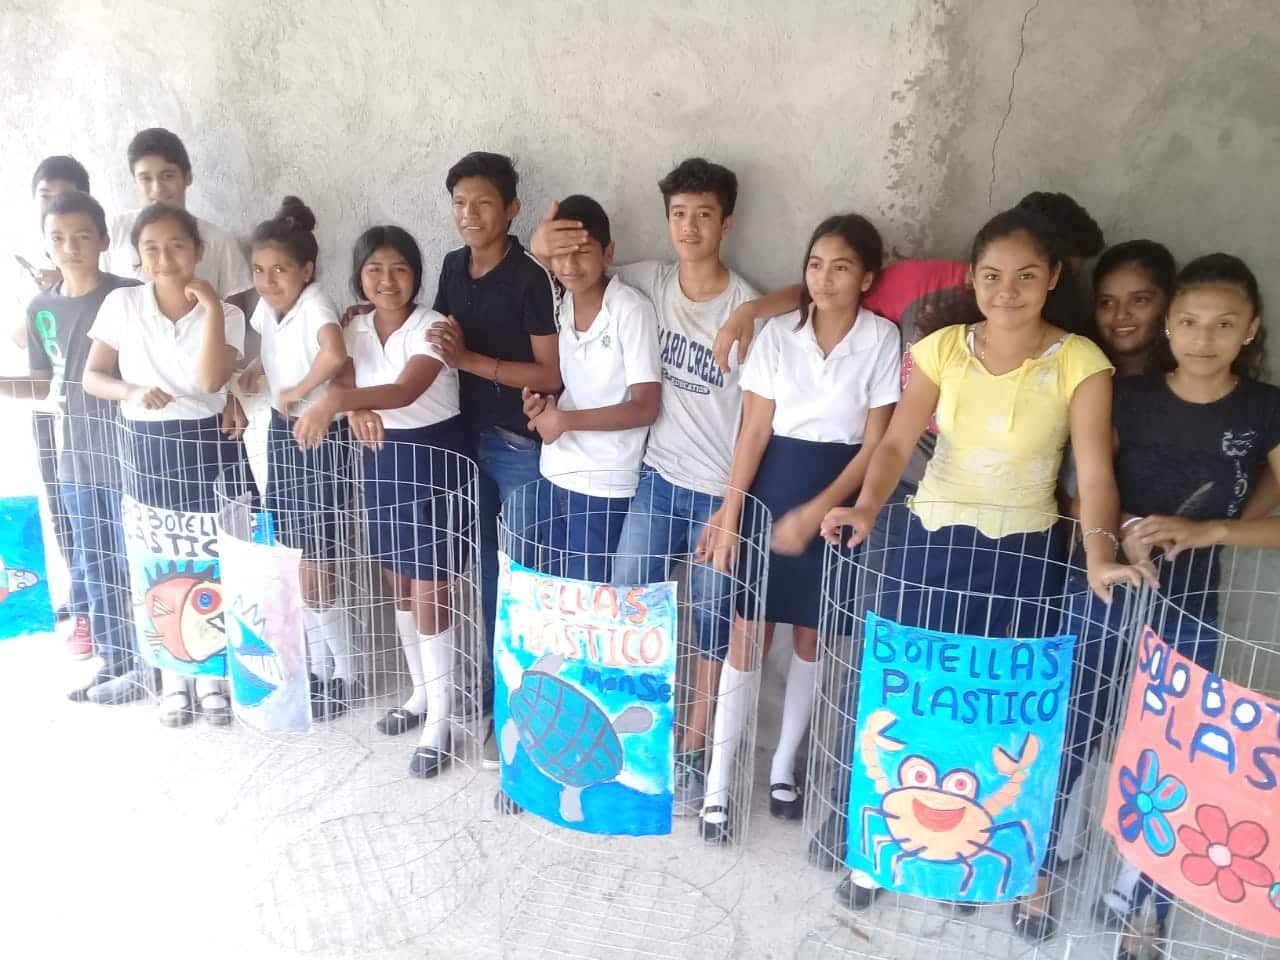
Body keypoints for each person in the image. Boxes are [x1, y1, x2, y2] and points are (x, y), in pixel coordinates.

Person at [819, 208, 1144, 942]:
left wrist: (1096, 553)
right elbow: (900, 443)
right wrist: (868, 507)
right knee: (906, 700)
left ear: (1053, 279)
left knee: (991, 713)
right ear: (973, 278)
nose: (1007, 291)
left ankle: (974, 856)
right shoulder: (941, 349)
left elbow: (1093, 473)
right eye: (992, 276)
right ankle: (878, 855)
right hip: (929, 544)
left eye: (1026, 277)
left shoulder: (1080, 363)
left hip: (1023, 555)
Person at [528, 157, 759, 816]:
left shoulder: (748, 307)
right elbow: (564, 263)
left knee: (709, 625)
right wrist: (549, 239)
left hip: (717, 491)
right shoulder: (647, 282)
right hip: (657, 483)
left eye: (704, 214)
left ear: (727, 222)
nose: (689, 227)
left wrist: (733, 510)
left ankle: (691, 751)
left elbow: (755, 422)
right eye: (679, 214)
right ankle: (637, 741)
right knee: (627, 609)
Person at [1067, 254, 1280, 960]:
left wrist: (1212, 531)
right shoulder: (1128, 396)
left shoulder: (1266, 408)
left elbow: (1269, 511)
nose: (1203, 337)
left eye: (1224, 324)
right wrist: (1116, 535)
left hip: (1193, 595)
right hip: (1106, 583)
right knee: (1077, 719)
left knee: (1175, 749)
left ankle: (1144, 906)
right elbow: (1084, 489)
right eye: (1188, 321)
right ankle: (1040, 867)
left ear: (1251, 330)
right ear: (1169, 324)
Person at [697, 213, 901, 844]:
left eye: (841, 267)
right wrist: (731, 515)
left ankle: (783, 768)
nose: (825, 278)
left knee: (814, 637)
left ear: (867, 277)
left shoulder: (883, 339)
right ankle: (719, 784)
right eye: (815, 264)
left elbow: (875, 445)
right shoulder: (778, 337)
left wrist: (819, 511)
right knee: (746, 634)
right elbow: (753, 432)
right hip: (771, 487)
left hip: (839, 498)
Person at [294, 226, 466, 779]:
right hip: (382, 461)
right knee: (396, 579)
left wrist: (341, 403)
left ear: (416, 274)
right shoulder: (355, 324)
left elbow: (404, 392)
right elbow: (347, 373)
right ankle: (419, 696)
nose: (387, 281)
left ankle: (443, 720)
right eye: (374, 270)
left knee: (430, 586)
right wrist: (350, 408)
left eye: (399, 269)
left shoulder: (433, 327)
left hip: (431, 461)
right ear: (359, 276)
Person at [84, 204, 246, 724]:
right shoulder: (121, 303)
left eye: (177, 245)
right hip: (146, 444)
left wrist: (214, 309)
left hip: (208, 443)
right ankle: (174, 680)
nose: (164, 257)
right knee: (159, 559)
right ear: (138, 256)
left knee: (209, 561)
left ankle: (213, 681)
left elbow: (209, 383)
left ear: (199, 252)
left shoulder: (229, 313)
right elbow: (94, 377)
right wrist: (130, 389)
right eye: (151, 248)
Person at [425, 151, 561, 767]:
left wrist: (471, 362)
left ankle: (526, 706)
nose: (468, 215)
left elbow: (551, 372)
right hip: (464, 440)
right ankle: (496, 698)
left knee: (524, 575)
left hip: (518, 447)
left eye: (482, 203)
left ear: (511, 209)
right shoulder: (453, 266)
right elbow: (435, 333)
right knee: (482, 573)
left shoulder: (531, 277)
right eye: (458, 203)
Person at [0, 189, 141, 700]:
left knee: (136, 558)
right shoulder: (40, 307)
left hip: (130, 450)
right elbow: (42, 385)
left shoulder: (130, 294)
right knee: (95, 560)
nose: (71, 246)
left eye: (82, 235)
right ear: (45, 245)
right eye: (57, 238)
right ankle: (115, 660)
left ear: (104, 239)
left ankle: (155, 664)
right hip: (75, 455)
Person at [239, 196, 355, 720]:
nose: (268, 279)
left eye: (279, 269)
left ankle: (346, 672)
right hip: (284, 435)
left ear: (306, 269)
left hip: (317, 434)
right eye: (260, 270)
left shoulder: (316, 304)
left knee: (317, 556)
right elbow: (275, 347)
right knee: (293, 550)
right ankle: (320, 667)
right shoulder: (272, 307)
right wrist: (257, 373)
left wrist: (296, 391)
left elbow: (334, 355)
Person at [522, 195, 661, 582]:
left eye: (582, 252)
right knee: (558, 596)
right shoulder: (563, 303)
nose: (569, 265)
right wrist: (544, 408)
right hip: (556, 470)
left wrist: (564, 420)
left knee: (591, 603)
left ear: (608, 252)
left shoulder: (629, 310)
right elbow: (578, 387)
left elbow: (645, 406)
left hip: (604, 483)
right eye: (560, 254)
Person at [12, 157, 91, 646]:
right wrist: (47, 291)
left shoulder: (106, 281)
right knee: (68, 507)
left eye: (63, 194)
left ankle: (105, 604)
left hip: (103, 414)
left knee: (106, 512)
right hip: (50, 408)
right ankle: (83, 605)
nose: (53, 203)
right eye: (45, 195)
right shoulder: (30, 261)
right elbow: (25, 343)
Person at [103, 128, 252, 307]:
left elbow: (236, 317)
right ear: (135, 182)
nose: (157, 189)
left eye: (167, 176)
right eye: (146, 178)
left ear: (187, 177)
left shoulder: (220, 241)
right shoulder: (113, 231)